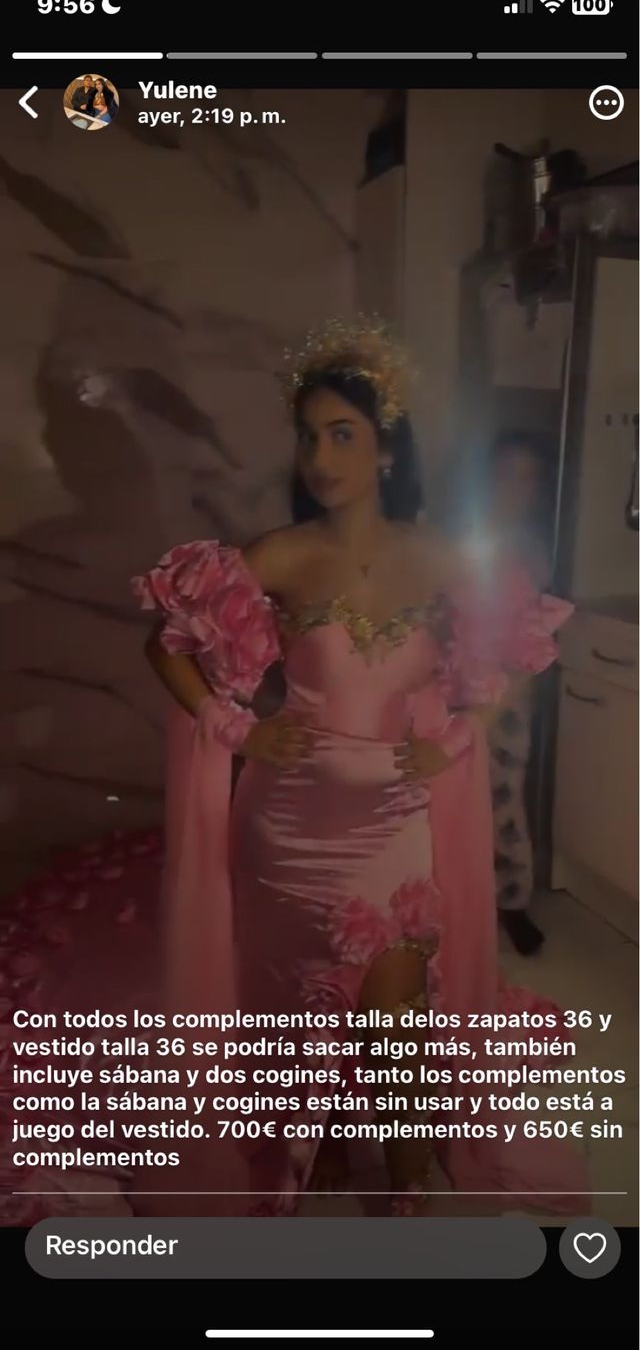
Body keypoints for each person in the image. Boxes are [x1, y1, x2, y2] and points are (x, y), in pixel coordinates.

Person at [0, 320, 587, 1224]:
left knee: (396, 1010)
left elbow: (515, 650)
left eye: (342, 434)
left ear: (386, 448)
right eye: (310, 437)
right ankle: (312, 1148)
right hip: (287, 824)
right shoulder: (279, 553)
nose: (320, 457)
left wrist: (460, 735)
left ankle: (406, 1192)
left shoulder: (442, 559)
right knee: (296, 1009)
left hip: (397, 818)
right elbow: (166, 645)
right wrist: (237, 729)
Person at [482, 431, 554, 957]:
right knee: (449, 796)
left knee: (505, 799)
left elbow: (533, 629)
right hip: (452, 686)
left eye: (526, 479)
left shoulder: (530, 548)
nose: (513, 488)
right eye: (505, 475)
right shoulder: (455, 536)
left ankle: (513, 902)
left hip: (509, 691)